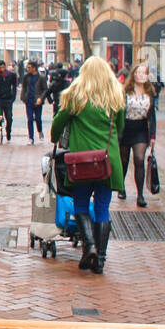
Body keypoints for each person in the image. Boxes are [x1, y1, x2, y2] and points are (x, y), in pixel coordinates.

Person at [50, 55, 125, 274]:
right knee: (102, 207)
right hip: (106, 161)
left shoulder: (76, 95)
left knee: (81, 204)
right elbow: (120, 127)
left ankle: (90, 246)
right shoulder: (116, 95)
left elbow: (58, 122)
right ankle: (100, 260)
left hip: (81, 161)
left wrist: (55, 138)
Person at [117, 63, 158, 206]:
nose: (141, 75)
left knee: (139, 159)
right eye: (138, 73)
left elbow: (152, 116)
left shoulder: (150, 93)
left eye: (144, 73)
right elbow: (118, 112)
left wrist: (153, 135)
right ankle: (121, 186)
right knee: (123, 160)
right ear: (133, 74)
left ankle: (140, 195)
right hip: (126, 127)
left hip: (141, 129)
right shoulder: (125, 91)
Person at [20, 59, 48, 143]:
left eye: (29, 67)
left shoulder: (41, 77)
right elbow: (24, 87)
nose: (27, 69)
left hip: (37, 101)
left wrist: (41, 98)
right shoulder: (26, 77)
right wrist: (23, 97)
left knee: (38, 119)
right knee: (30, 119)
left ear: (34, 68)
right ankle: (31, 137)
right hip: (29, 100)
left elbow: (45, 89)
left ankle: (40, 131)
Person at [0, 60, 19, 141]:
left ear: (5, 66)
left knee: (9, 118)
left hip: (8, 99)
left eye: (3, 67)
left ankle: (8, 131)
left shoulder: (11, 75)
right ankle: (0, 135)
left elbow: (14, 86)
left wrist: (13, 97)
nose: (2, 69)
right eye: (0, 67)